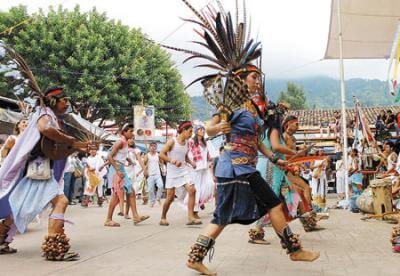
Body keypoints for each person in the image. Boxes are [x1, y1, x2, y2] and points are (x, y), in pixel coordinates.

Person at [0, 86, 89, 260]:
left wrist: (79, 146)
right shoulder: (45, 115)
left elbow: (56, 148)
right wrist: (69, 140)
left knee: (17, 207)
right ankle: (54, 249)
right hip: (39, 170)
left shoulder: (51, 117)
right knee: (61, 202)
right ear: (55, 101)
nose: (67, 103)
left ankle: (1, 240)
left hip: (38, 170)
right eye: (65, 100)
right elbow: (45, 130)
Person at [104, 124, 149, 227]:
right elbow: (109, 156)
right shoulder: (120, 142)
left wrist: (128, 161)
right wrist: (117, 169)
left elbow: (121, 156)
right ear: (124, 132)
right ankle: (108, 219)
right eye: (130, 131)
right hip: (117, 170)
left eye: (132, 131)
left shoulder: (125, 143)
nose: (132, 133)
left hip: (121, 169)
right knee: (116, 195)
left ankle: (136, 216)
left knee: (131, 192)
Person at [159, 121, 199, 226]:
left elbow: (184, 156)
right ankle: (163, 218)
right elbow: (161, 154)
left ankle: (191, 217)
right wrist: (172, 161)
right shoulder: (172, 141)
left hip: (183, 170)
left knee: (192, 190)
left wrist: (191, 162)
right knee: (170, 198)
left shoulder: (187, 143)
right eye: (190, 131)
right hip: (172, 172)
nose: (191, 134)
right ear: (183, 131)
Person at [188, 125, 214, 215]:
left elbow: (208, 155)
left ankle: (200, 201)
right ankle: (195, 209)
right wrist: (191, 163)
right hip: (196, 167)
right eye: (200, 129)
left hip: (204, 167)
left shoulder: (205, 142)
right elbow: (188, 153)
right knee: (197, 187)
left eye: (203, 129)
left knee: (210, 184)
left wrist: (210, 162)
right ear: (196, 131)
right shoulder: (191, 141)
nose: (203, 131)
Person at [144, 142, 164, 207]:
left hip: (157, 174)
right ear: (150, 147)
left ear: (156, 147)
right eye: (152, 146)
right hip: (150, 174)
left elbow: (161, 163)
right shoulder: (147, 155)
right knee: (150, 189)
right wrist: (145, 170)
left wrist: (163, 168)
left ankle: (158, 198)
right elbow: (144, 163)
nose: (153, 147)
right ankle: (152, 201)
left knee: (161, 186)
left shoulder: (158, 155)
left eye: (154, 146)